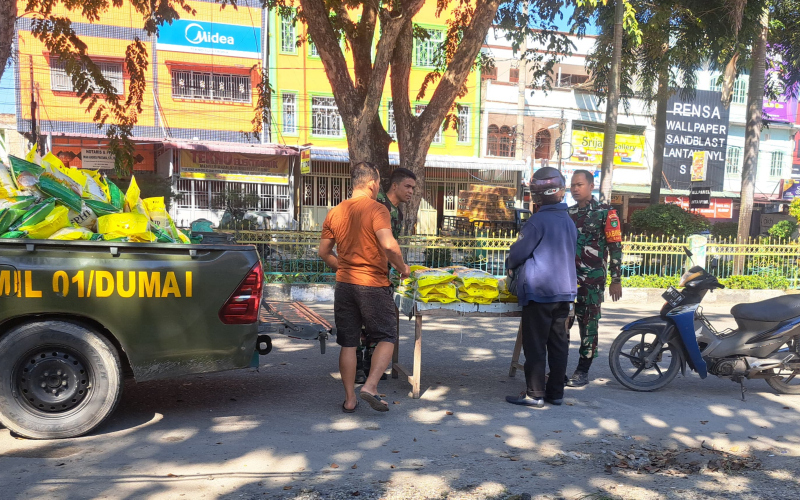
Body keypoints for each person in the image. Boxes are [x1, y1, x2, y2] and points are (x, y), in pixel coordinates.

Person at [318, 162, 410, 413]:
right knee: (387, 335)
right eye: (378, 183)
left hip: (345, 285)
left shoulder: (335, 212)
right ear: (372, 183)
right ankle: (370, 386)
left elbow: (324, 252)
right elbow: (389, 246)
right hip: (372, 283)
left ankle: (350, 400)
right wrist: (403, 268)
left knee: (348, 342)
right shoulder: (377, 209)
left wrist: (344, 267)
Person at [505, 167, 578, 408]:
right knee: (559, 344)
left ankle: (535, 393)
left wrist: (510, 263)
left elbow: (518, 253)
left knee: (535, 345)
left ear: (538, 195)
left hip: (540, 292)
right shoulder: (568, 221)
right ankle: (556, 393)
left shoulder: (537, 221)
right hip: (564, 292)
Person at [356, 168, 418, 383]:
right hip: (367, 273)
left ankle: (372, 367)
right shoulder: (378, 206)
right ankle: (359, 369)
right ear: (395, 185)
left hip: (382, 274)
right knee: (364, 323)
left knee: (376, 324)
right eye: (407, 186)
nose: (411, 191)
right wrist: (400, 267)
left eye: (413, 188)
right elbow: (383, 245)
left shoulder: (396, 211)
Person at [566, 170, 623, 388]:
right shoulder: (567, 213)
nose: (574, 189)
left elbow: (615, 248)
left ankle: (582, 370)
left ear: (591, 186)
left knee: (588, 326)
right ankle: (559, 368)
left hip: (591, 281)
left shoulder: (606, 213)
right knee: (562, 325)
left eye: (579, 184)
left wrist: (616, 280)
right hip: (566, 280)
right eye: (572, 185)